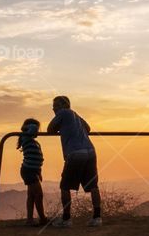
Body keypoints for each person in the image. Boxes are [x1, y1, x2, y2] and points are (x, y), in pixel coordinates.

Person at [47, 96, 102, 227]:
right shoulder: (76, 115)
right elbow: (88, 128)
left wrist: (62, 128)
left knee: (65, 186)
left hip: (75, 153)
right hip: (90, 151)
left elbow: (50, 129)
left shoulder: (63, 113)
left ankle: (66, 219)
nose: (53, 108)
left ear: (63, 105)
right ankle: (97, 217)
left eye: (55, 105)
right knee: (93, 186)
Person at [18, 118, 48, 226]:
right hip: (28, 170)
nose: (37, 131)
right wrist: (26, 128)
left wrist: (39, 172)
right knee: (39, 195)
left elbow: (37, 159)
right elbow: (33, 128)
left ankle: (29, 220)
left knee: (31, 196)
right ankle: (43, 218)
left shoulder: (34, 142)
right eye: (37, 129)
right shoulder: (25, 138)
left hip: (33, 171)